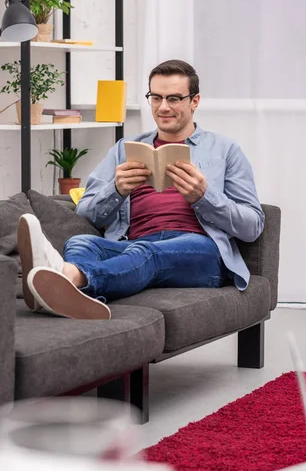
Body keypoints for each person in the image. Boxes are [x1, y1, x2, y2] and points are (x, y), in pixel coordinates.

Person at [17, 59, 265, 320]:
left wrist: (204, 197)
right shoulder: (124, 148)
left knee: (146, 253)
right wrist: (116, 189)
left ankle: (68, 275)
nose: (163, 107)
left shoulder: (225, 150)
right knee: (81, 241)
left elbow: (253, 226)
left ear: (195, 101)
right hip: (133, 245)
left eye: (174, 98)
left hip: (200, 251)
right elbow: (86, 212)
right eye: (156, 97)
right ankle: (74, 299)